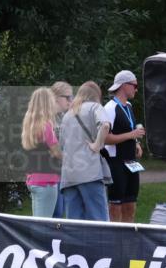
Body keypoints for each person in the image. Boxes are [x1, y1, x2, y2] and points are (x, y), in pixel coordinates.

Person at [59, 81, 111, 221]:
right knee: (99, 220)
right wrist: (97, 145)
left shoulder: (67, 115)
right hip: (90, 173)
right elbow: (105, 125)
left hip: (69, 176)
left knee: (74, 224)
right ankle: (101, 244)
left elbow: (62, 146)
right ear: (96, 94)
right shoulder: (95, 107)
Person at [102, 70, 146, 223]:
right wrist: (131, 135)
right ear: (123, 86)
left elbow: (130, 130)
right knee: (115, 206)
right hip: (116, 163)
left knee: (131, 204)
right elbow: (104, 139)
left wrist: (136, 144)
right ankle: (115, 239)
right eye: (134, 85)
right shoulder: (109, 108)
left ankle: (128, 240)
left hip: (131, 162)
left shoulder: (129, 106)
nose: (136, 89)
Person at [21, 87, 62, 217]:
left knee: (37, 223)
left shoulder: (30, 125)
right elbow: (57, 152)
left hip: (33, 179)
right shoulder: (47, 126)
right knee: (43, 226)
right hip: (47, 181)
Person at [49, 81, 73, 218]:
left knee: (60, 212)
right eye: (68, 97)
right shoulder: (46, 117)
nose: (71, 100)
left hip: (62, 170)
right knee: (55, 213)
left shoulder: (64, 116)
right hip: (49, 172)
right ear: (57, 97)